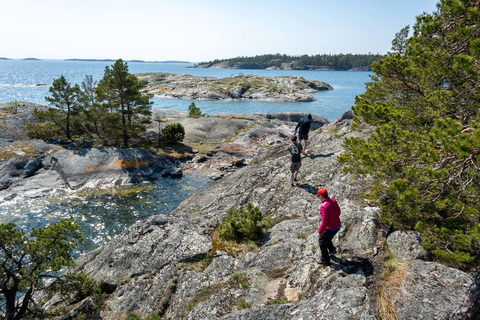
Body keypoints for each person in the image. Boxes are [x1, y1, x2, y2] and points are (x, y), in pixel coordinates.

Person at [316, 188, 341, 266]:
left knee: (322, 242)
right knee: (326, 236)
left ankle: (325, 260)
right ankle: (332, 250)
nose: (318, 198)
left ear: (322, 196)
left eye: (318, 196)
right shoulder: (333, 201)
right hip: (338, 225)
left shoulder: (324, 206)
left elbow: (324, 222)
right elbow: (339, 212)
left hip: (331, 228)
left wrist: (319, 232)